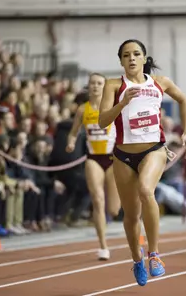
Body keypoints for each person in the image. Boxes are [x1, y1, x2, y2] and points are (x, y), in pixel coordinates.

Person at [98, 39, 186, 286]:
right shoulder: (113, 85)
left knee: (145, 190)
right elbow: (102, 122)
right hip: (123, 155)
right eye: (126, 55)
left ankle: (154, 254)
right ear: (121, 61)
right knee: (130, 215)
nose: (131, 58)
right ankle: (136, 259)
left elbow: (184, 100)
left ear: (143, 58)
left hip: (154, 149)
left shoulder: (160, 83)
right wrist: (122, 102)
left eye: (136, 54)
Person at [66, 73, 121, 261]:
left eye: (99, 83)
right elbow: (73, 133)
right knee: (97, 200)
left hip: (113, 159)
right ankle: (103, 246)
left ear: (105, 87)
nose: (96, 87)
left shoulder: (114, 106)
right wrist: (71, 142)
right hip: (93, 159)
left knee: (114, 209)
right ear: (88, 87)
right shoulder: (83, 109)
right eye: (93, 84)